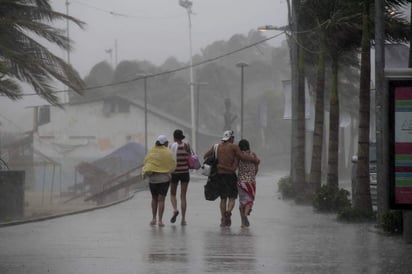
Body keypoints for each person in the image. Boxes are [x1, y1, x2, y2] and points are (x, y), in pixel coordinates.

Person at [203, 130, 260, 227]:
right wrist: (255, 160)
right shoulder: (234, 147)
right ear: (231, 138)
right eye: (233, 138)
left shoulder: (216, 146)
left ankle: (223, 219)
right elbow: (243, 157)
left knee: (223, 199)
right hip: (230, 175)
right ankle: (229, 212)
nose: (234, 140)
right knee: (232, 198)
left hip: (219, 175)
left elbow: (205, 156)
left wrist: (217, 162)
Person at [142, 135, 176, 227]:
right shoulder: (168, 152)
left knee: (154, 198)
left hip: (153, 180)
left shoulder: (151, 151)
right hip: (164, 180)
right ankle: (160, 221)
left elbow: (146, 162)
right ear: (165, 143)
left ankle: (153, 219)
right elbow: (173, 164)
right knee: (161, 200)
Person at [168, 129, 190, 225]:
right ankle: (183, 219)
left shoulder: (171, 146)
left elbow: (169, 159)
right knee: (183, 196)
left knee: (173, 194)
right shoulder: (186, 145)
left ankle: (175, 210)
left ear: (174, 137)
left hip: (175, 173)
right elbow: (190, 157)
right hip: (185, 172)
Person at [236, 139, 259, 228]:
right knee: (249, 201)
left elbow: (235, 166)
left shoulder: (239, 156)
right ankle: (246, 215)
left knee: (242, 202)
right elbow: (256, 168)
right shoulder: (253, 155)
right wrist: (253, 175)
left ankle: (242, 223)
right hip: (251, 182)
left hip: (240, 182)